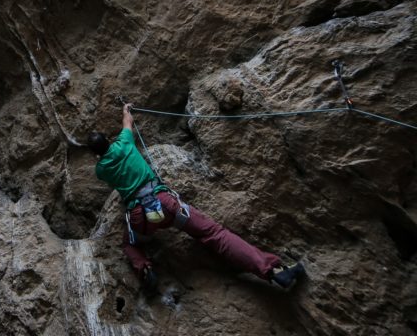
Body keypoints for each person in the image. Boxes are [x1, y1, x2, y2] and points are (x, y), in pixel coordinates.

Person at [89, 103, 305, 292]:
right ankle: (273, 270)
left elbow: (104, 161)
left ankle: (144, 268)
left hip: (141, 218)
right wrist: (125, 109)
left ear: (96, 155)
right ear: (110, 140)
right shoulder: (124, 142)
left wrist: (101, 156)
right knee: (214, 234)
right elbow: (128, 122)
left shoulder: (101, 170)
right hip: (165, 205)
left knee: (130, 245)